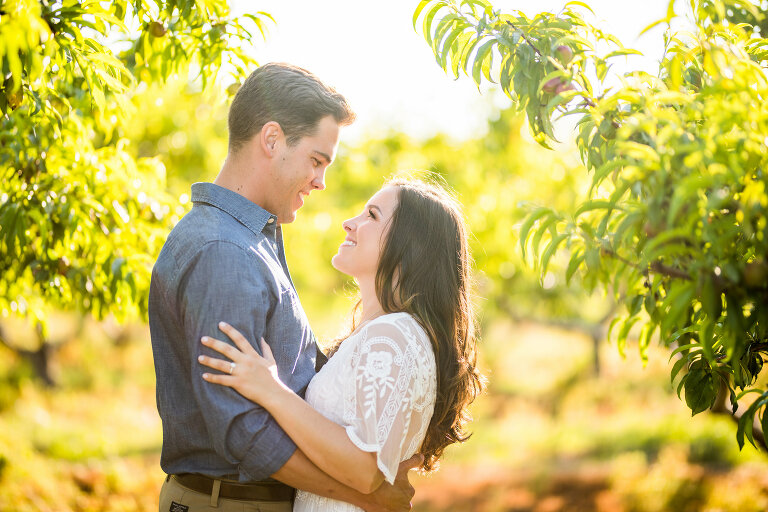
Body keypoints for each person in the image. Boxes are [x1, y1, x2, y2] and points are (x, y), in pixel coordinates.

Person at [149, 63, 421, 512]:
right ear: (272, 139)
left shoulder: (253, 239)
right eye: (317, 161)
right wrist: (364, 495)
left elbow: (295, 372)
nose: (322, 181)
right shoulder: (225, 252)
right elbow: (242, 430)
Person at [197, 178, 484, 511]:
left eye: (372, 216)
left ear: (409, 247)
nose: (349, 223)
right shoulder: (383, 334)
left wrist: (270, 390)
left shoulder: (393, 338)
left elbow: (364, 470)